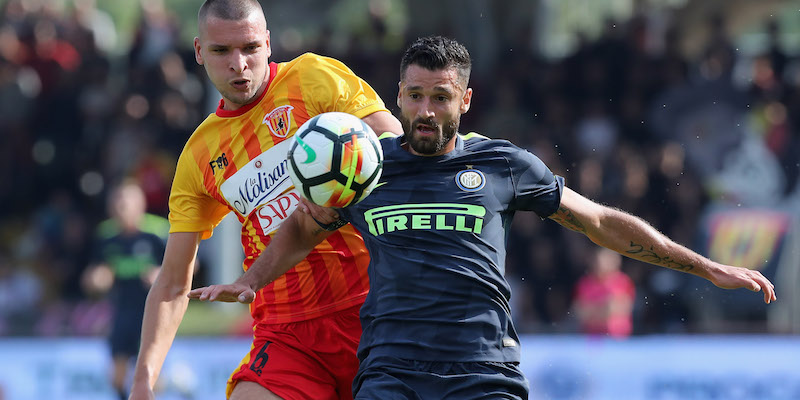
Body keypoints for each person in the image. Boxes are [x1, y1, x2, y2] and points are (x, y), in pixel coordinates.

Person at [188, 36, 776, 399]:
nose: (424, 110)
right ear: (398, 97)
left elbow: (598, 221)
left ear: (464, 101)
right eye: (414, 96)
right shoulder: (364, 167)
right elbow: (304, 225)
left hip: (483, 371)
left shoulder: (503, 164)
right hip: (391, 372)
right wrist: (252, 279)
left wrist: (705, 267)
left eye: (439, 97)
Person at [128, 1, 402, 399]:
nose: (239, 64)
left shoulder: (312, 77)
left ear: (269, 44)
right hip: (289, 334)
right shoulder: (199, 156)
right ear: (200, 51)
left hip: (378, 308)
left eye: (250, 48)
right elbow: (172, 282)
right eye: (222, 51)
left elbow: (390, 142)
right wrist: (143, 379)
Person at [82, 181, 164, 400]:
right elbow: (94, 273)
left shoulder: (158, 231)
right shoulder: (106, 234)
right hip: (121, 311)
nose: (121, 206)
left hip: (152, 312)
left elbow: (192, 265)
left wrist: (162, 274)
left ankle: (180, 389)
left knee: (149, 375)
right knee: (117, 378)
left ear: (141, 204)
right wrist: (97, 278)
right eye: (117, 201)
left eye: (126, 201)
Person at [573, 247, 635, 338]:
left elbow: (622, 309)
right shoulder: (584, 283)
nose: (600, 264)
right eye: (597, 261)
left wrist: (594, 309)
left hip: (617, 337)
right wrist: (604, 307)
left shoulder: (623, 282)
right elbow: (580, 311)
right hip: (590, 338)